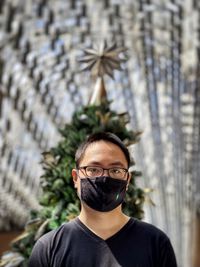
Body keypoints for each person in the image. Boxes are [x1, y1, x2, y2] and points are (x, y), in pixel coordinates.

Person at [28, 132, 177, 267]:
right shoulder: (48, 248)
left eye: (116, 170)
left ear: (127, 180)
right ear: (75, 178)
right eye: (93, 169)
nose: (105, 178)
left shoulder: (155, 243)